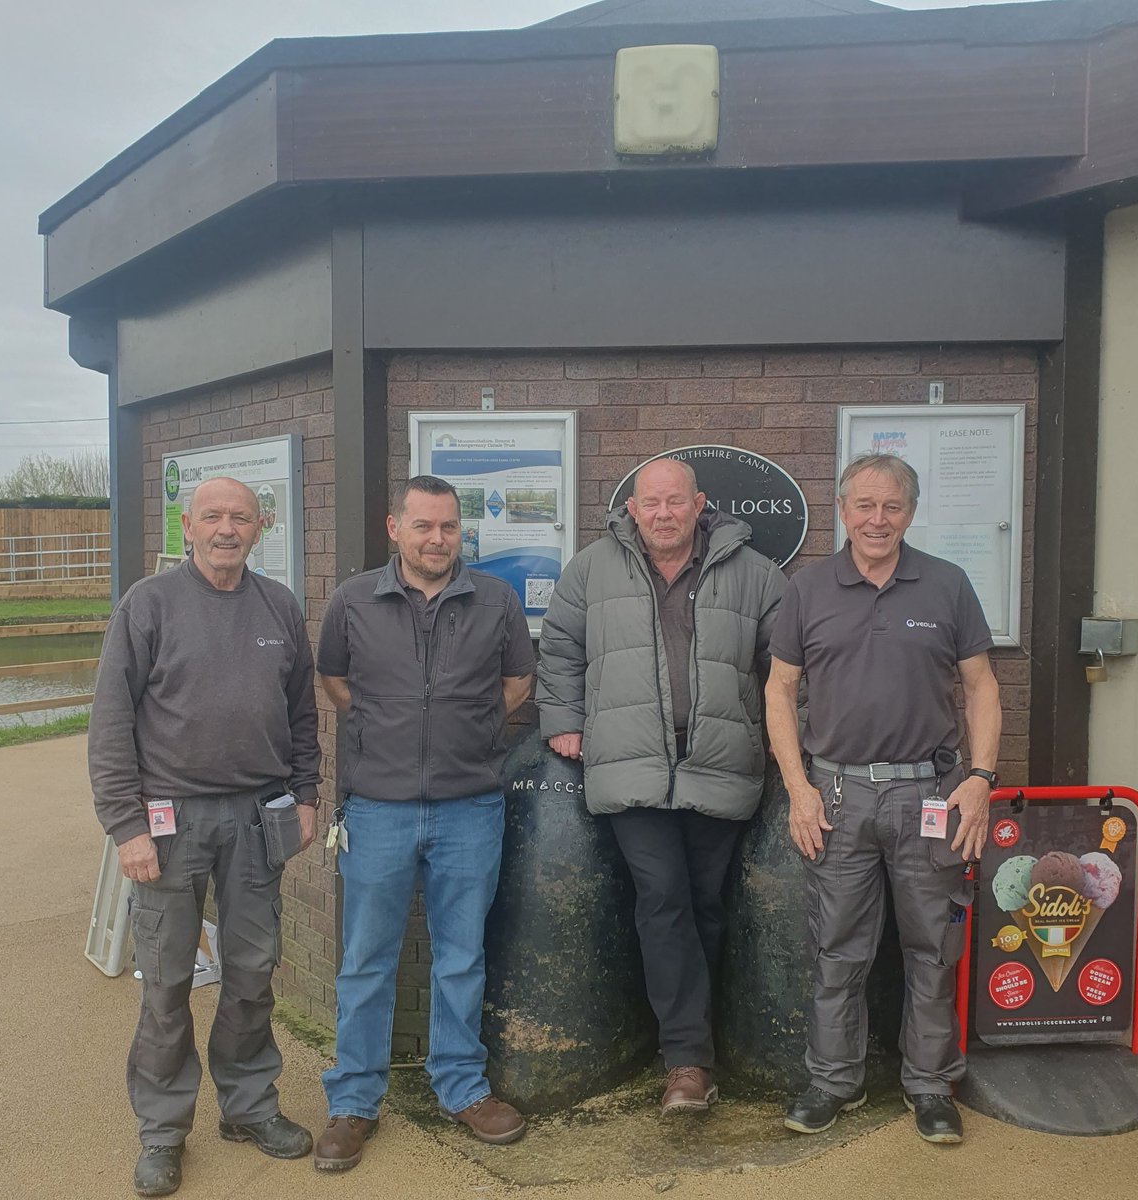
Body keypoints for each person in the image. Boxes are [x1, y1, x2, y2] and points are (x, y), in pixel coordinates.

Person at [88, 477, 322, 1198]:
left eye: (241, 517)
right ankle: (162, 1132)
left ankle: (249, 1107)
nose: (227, 528)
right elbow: (110, 723)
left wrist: (307, 795)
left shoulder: (278, 605)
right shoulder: (149, 604)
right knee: (165, 984)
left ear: (261, 526)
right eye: (213, 516)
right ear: (187, 524)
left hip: (257, 816)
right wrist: (127, 826)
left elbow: (303, 716)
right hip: (168, 821)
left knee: (253, 972)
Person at [536, 457, 787, 1115]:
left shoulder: (756, 575)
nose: (665, 514)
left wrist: (785, 742)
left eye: (677, 501)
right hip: (630, 764)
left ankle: (687, 1039)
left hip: (720, 761)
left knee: (705, 905)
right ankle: (687, 1061)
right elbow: (559, 648)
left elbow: (788, 669)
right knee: (662, 898)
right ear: (633, 507)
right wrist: (562, 720)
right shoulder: (591, 570)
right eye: (653, 503)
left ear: (699, 504)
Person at [766, 453, 1002, 1145]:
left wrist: (981, 778)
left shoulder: (947, 585)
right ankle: (832, 1082)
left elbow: (983, 686)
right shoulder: (809, 588)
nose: (877, 519)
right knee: (838, 951)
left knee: (932, 949)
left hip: (927, 795)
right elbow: (779, 691)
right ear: (843, 510)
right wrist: (798, 789)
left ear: (910, 512)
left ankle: (930, 1088)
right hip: (836, 797)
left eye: (891, 506)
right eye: (864, 505)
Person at [313, 475, 535, 1170]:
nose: (437, 539)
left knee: (462, 956)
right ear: (394, 528)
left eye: (448, 527)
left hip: (470, 806)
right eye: (424, 526)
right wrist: (390, 734)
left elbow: (517, 682)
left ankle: (461, 1087)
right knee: (365, 961)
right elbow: (336, 682)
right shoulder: (353, 601)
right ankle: (353, 1102)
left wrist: (462, 734)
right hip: (377, 808)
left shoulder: (495, 599)